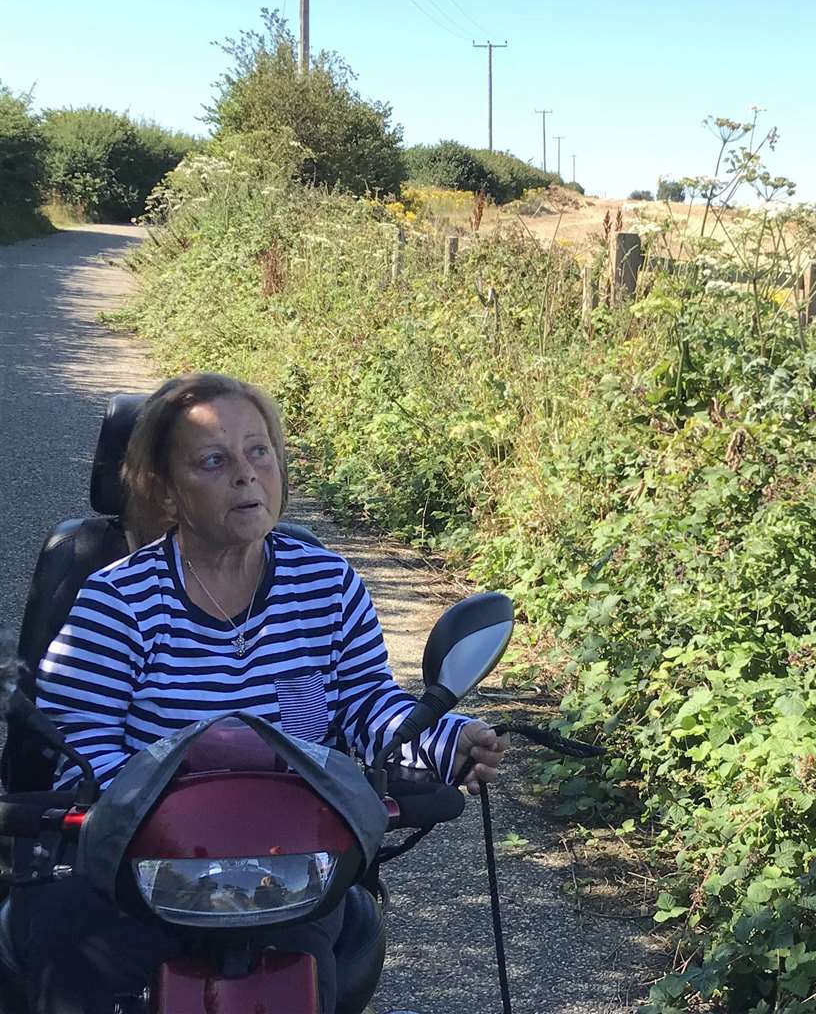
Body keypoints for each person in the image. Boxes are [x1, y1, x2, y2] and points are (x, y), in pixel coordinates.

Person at [7, 372, 509, 1014]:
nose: (246, 475)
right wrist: (159, 824)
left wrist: (447, 740)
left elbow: (365, 707)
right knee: (73, 969)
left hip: (283, 863)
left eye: (259, 451)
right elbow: (80, 745)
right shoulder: (119, 599)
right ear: (167, 488)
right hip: (140, 867)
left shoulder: (327, 584)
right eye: (214, 461)